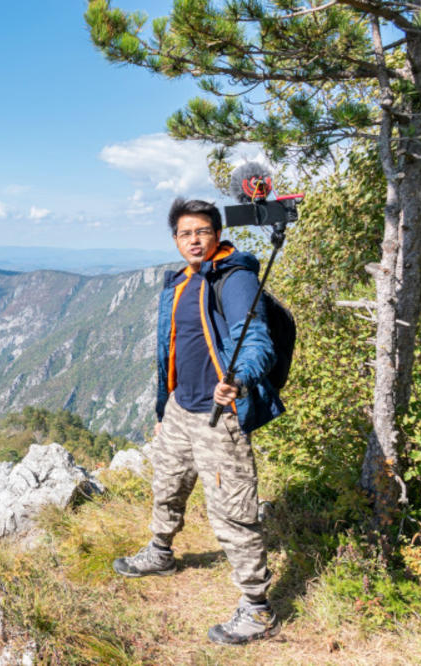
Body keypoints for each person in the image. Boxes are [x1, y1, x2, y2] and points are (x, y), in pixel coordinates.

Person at [112, 198, 285, 645]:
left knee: (233, 510)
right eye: (185, 233)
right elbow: (170, 349)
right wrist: (163, 409)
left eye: (202, 231)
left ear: (217, 234)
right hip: (179, 409)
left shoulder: (235, 278)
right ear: (175, 239)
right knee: (166, 486)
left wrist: (238, 380)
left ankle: (257, 609)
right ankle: (160, 553)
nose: (194, 240)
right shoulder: (181, 280)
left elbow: (257, 341)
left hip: (218, 416)